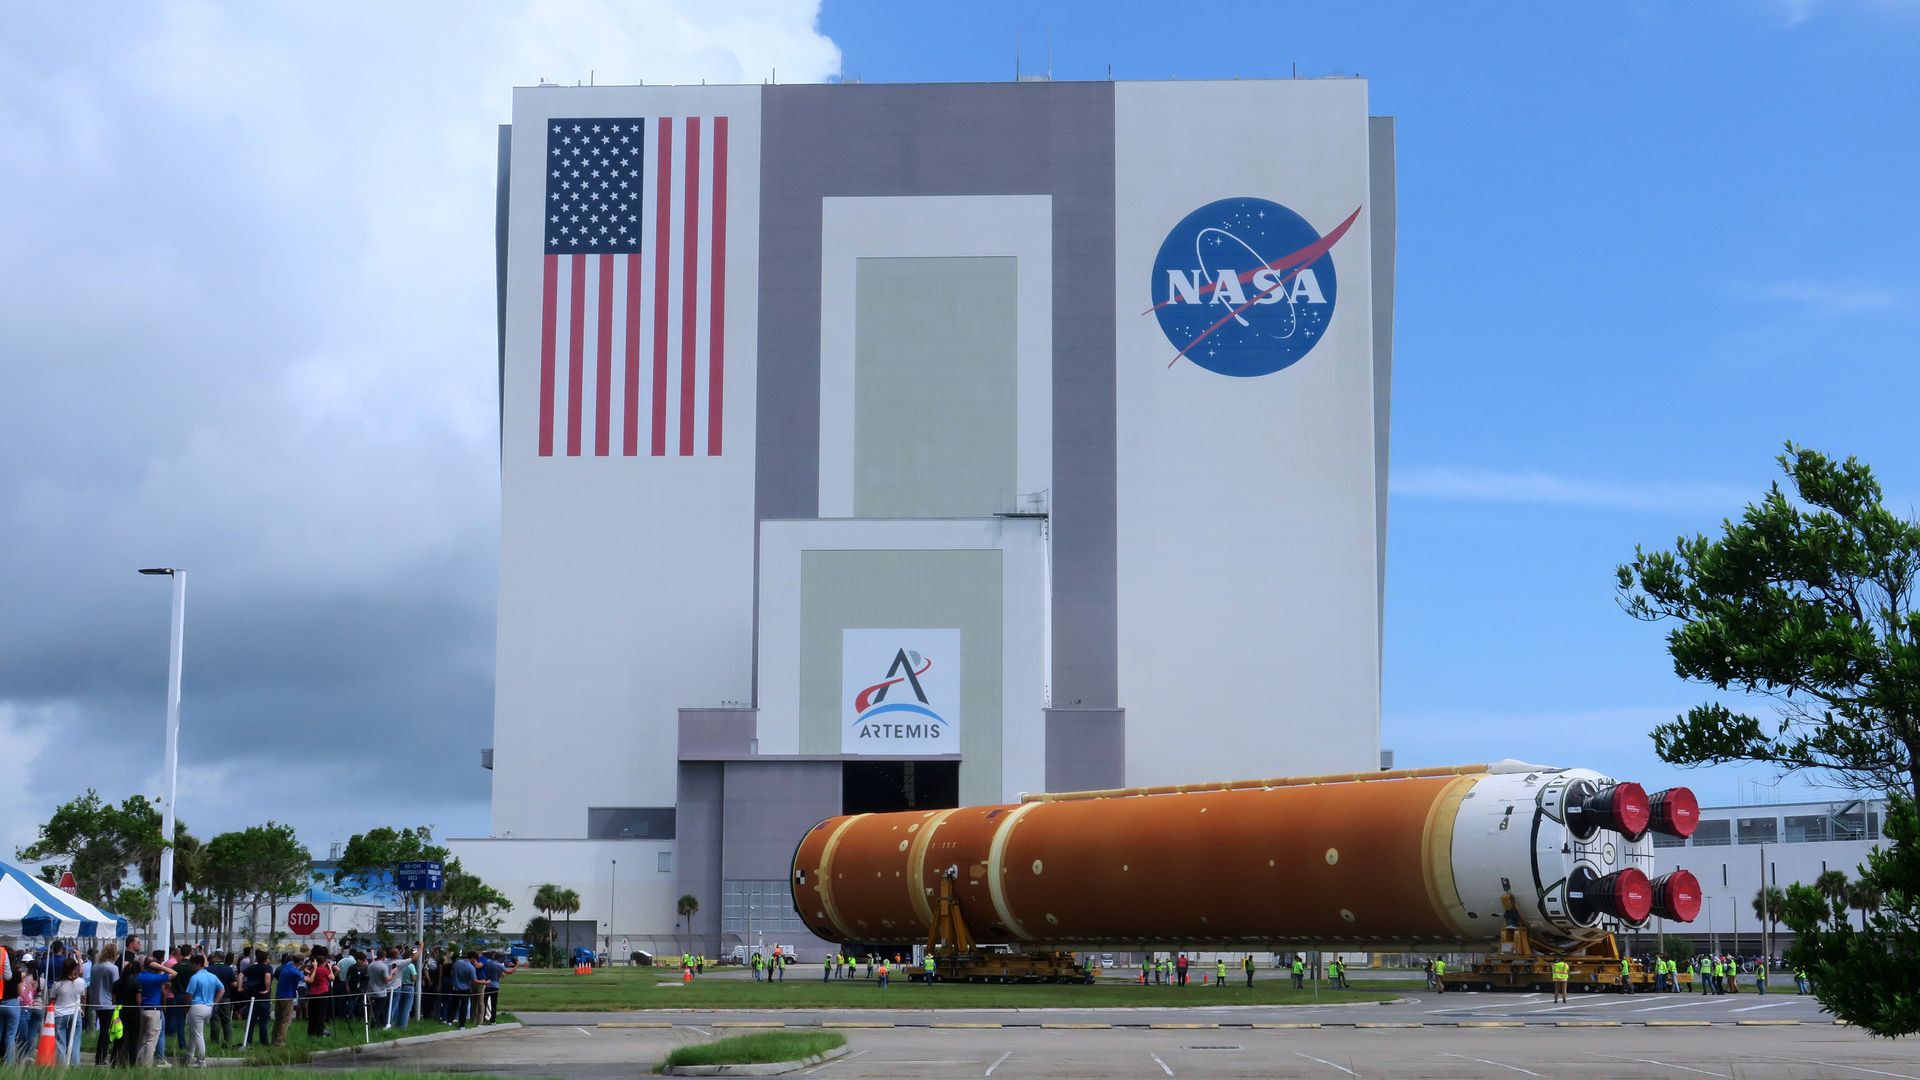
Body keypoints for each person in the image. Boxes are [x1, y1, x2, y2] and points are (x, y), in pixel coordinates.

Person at [135, 951, 174, 1066]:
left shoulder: (139, 976)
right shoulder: (157, 978)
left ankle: (138, 1062)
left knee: (141, 1039)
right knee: (151, 1040)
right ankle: (146, 1064)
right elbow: (174, 973)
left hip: (142, 1010)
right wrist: (160, 966)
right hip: (154, 1010)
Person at [185, 957, 223, 1067]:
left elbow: (189, 995)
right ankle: (189, 1056)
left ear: (197, 964)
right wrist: (215, 1002)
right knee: (193, 1032)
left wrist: (187, 1007)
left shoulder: (195, 977)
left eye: (192, 964)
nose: (192, 966)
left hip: (197, 1007)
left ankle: (201, 1061)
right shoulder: (213, 976)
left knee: (198, 1034)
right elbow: (222, 989)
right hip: (208, 1007)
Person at [50, 956, 86, 1066]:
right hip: (75, 1013)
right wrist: (82, 1009)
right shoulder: (81, 982)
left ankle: (62, 1065)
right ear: (74, 968)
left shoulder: (57, 984)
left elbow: (52, 1000)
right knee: (75, 1041)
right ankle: (75, 1064)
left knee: (60, 1042)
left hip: (59, 1014)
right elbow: (84, 996)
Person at [90, 943, 121, 1066]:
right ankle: (101, 1056)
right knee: (106, 1031)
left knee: (104, 1030)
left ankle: (100, 1056)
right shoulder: (113, 968)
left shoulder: (95, 967)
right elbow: (116, 986)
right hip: (109, 1002)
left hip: (97, 1001)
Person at [272, 953, 305, 1047]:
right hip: (287, 996)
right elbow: (310, 979)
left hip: (278, 995)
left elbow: (297, 968)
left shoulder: (288, 964)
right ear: (301, 961)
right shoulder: (294, 971)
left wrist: (303, 967)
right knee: (285, 1020)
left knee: (277, 1019)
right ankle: (280, 1041)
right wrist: (314, 968)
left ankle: (274, 1039)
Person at [207, 949, 237, 1049]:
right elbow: (234, 984)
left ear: (215, 957)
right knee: (226, 1021)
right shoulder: (228, 969)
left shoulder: (209, 969)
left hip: (212, 998)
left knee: (215, 1020)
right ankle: (228, 1041)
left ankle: (214, 1041)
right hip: (225, 998)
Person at [0, 936, 21, 1066]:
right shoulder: (17, 974)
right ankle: (10, 1062)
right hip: (13, 1004)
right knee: (10, 1036)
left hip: (1, 1003)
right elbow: (19, 992)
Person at [365, 950, 390, 1029]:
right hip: (381, 991)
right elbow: (386, 980)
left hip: (371, 989)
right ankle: (374, 1025)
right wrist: (392, 974)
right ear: (384, 956)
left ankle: (381, 1023)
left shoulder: (370, 965)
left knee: (376, 1008)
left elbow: (368, 976)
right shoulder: (384, 966)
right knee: (379, 1009)